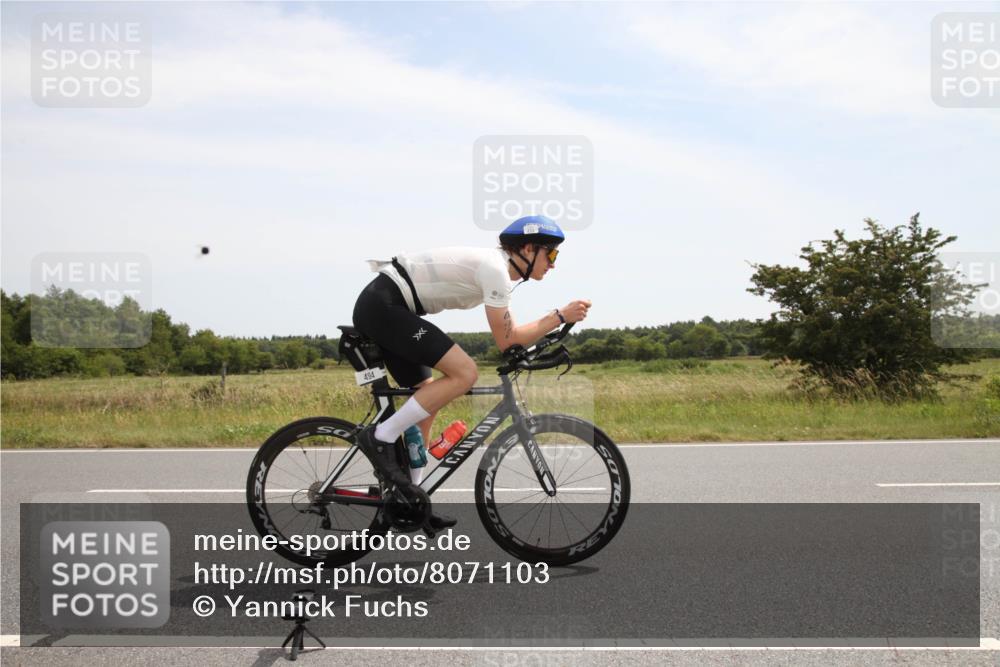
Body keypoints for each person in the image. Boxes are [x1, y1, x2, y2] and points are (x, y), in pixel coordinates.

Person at [351, 215, 591, 526]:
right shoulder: (495, 270)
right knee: (465, 372)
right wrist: (558, 316)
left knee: (428, 395)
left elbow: (512, 338)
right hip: (384, 306)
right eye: (552, 254)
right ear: (529, 249)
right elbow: (508, 340)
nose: (554, 264)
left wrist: (544, 335)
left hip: (392, 308)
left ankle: (411, 497)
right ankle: (381, 436)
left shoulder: (498, 272)